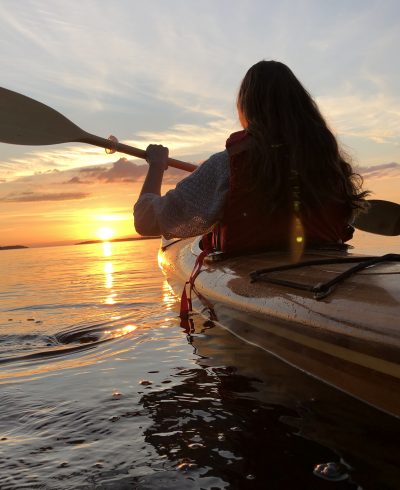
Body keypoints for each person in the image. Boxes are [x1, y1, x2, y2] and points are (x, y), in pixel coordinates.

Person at [134, 60, 368, 256]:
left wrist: (156, 166)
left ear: (247, 107)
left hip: (254, 284)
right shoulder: (330, 164)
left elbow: (145, 221)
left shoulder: (226, 165)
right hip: (328, 268)